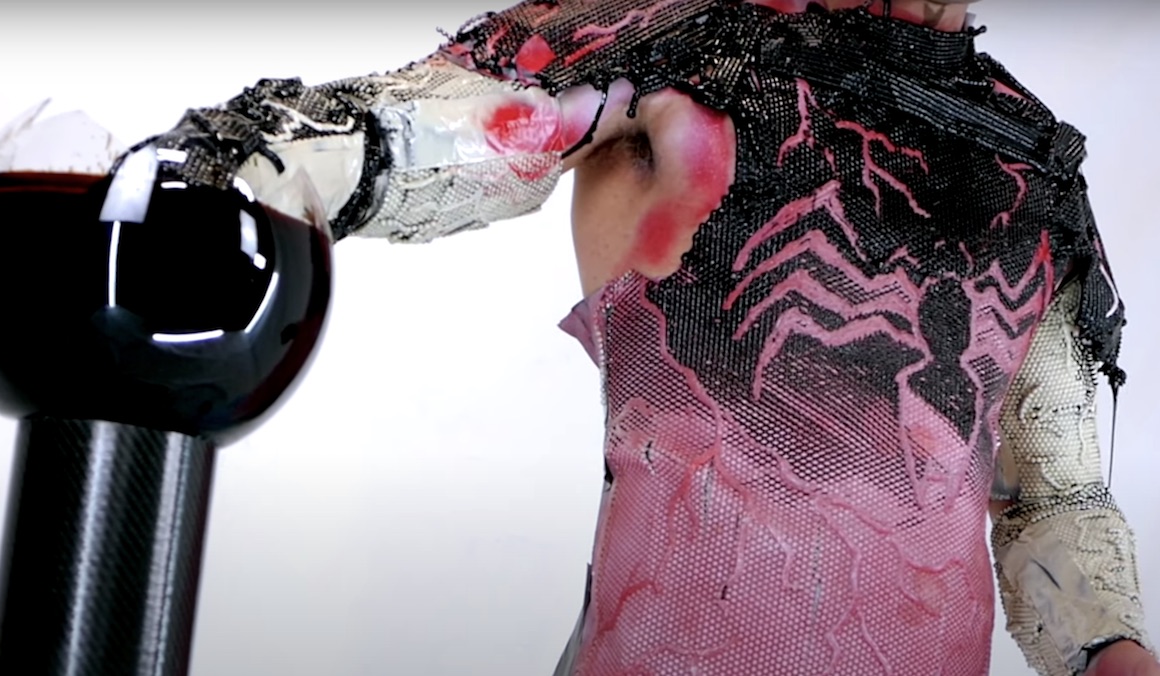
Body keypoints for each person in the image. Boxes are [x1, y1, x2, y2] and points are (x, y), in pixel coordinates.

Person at [114, 0, 1158, 673]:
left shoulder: (1029, 156)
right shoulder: (681, 47)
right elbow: (403, 137)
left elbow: (1053, 496)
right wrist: (206, 171)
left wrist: (1118, 658)